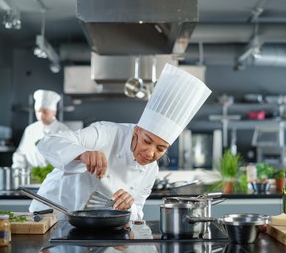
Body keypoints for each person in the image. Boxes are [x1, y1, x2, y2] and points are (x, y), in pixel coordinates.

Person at [29, 64, 212, 220]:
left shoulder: (151, 169)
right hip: (52, 214)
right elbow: (48, 142)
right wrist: (82, 154)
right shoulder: (106, 133)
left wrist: (128, 206)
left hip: (92, 227)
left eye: (161, 149)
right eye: (147, 141)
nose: (150, 153)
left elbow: (137, 212)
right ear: (137, 130)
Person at [12, 89, 70, 169]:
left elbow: (68, 157)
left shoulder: (64, 130)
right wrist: (18, 170)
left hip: (55, 178)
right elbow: (20, 153)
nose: (41, 115)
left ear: (54, 112)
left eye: (45, 112)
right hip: (31, 177)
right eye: (38, 111)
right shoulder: (30, 130)